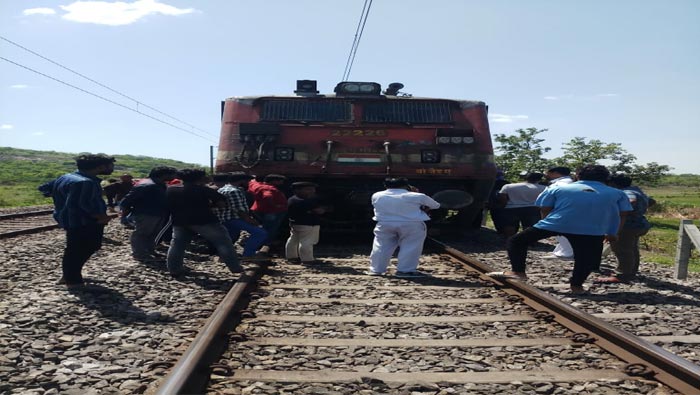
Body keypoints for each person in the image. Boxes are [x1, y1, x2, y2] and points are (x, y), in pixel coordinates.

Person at [488, 165, 633, 294]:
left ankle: (518, 272)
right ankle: (577, 287)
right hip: (592, 230)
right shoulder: (617, 193)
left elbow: (544, 208)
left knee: (517, 241)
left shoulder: (558, 187)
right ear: (605, 178)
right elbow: (623, 215)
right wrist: (613, 233)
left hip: (556, 223)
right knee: (585, 259)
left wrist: (546, 224)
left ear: (578, 176)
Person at [38, 153, 115, 288]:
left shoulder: (67, 177)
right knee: (84, 248)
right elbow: (79, 205)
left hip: (69, 219)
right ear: (101, 166)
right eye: (110, 165)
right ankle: (73, 280)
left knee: (74, 248)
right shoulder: (85, 182)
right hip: (83, 222)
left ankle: (69, 275)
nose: (112, 168)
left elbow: (45, 189)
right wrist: (100, 216)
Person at [165, 169, 243, 277]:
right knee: (223, 242)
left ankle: (174, 269)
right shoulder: (203, 190)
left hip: (179, 221)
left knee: (177, 245)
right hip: (204, 221)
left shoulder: (171, 189)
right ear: (199, 178)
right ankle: (235, 268)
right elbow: (221, 204)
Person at [367, 177, 441, 277]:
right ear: (406, 186)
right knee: (411, 246)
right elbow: (436, 205)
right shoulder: (417, 196)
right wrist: (416, 192)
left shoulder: (377, 195)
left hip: (385, 223)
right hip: (412, 224)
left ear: (385, 185)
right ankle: (405, 270)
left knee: (381, 246)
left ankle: (376, 270)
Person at [596, 174, 653, 283]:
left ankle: (622, 275)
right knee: (632, 249)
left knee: (622, 250)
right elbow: (652, 201)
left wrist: (617, 210)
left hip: (626, 226)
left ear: (613, 183)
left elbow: (631, 200)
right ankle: (631, 272)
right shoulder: (637, 190)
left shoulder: (626, 193)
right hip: (639, 224)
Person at [119, 166, 178, 262]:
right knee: (142, 233)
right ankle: (139, 254)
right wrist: (124, 211)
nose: (175, 176)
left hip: (158, 213)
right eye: (172, 174)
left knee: (153, 233)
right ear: (164, 175)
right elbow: (128, 199)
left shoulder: (158, 184)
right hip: (146, 213)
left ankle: (149, 250)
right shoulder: (147, 184)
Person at [212, 173, 268, 261]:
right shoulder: (234, 191)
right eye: (248, 181)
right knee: (260, 233)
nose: (249, 183)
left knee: (230, 237)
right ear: (242, 181)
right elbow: (239, 210)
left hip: (224, 218)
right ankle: (248, 254)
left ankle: (223, 256)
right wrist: (250, 220)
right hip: (234, 218)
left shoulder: (222, 189)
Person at [285, 182, 327, 264]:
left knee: (293, 240)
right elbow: (319, 211)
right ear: (297, 190)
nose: (312, 191)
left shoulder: (292, 199)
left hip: (295, 223)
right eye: (308, 189)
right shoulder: (305, 202)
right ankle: (307, 259)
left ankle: (291, 257)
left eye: (313, 189)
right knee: (307, 241)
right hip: (308, 224)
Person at [497, 172, 546, 238]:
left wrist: (502, 207)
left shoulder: (508, 186)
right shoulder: (544, 188)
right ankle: (527, 242)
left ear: (526, 177)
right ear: (540, 179)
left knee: (510, 225)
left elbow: (503, 198)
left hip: (511, 208)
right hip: (532, 209)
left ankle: (509, 240)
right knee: (529, 226)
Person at [541, 167, 575, 260]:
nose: (546, 175)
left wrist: (545, 217)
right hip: (569, 210)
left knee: (562, 233)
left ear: (555, 173)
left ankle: (568, 253)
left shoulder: (559, 183)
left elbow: (545, 201)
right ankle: (563, 251)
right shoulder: (571, 181)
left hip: (560, 210)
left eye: (547, 172)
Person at [248, 174, 288, 252]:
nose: (282, 183)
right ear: (274, 181)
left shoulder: (257, 185)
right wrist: (276, 206)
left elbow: (251, 183)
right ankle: (265, 246)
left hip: (258, 210)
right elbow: (267, 196)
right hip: (271, 212)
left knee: (264, 228)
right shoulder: (270, 189)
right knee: (270, 229)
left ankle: (260, 244)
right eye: (280, 181)